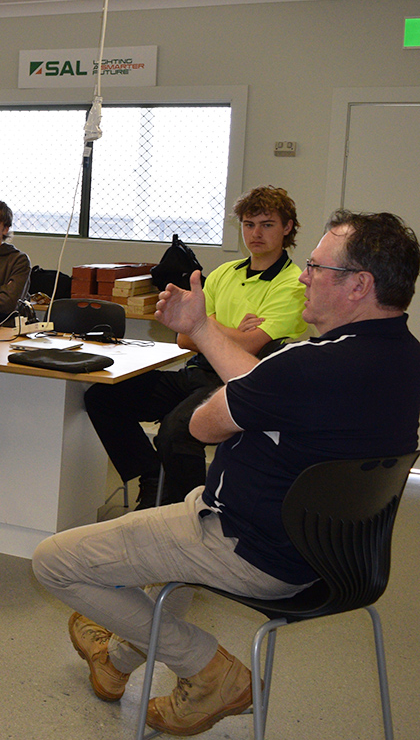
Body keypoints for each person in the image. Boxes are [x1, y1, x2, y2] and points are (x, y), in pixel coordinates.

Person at [33, 210, 420, 737]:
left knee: (54, 562)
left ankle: (209, 670)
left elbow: (203, 426)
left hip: (243, 544)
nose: (304, 278)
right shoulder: (403, 359)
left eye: (316, 267)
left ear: (359, 285)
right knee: (167, 559)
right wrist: (204, 332)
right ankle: (117, 659)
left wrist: (220, 358)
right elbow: (268, 387)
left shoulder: (308, 365)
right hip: (338, 559)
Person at [83, 186, 308, 510]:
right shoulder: (224, 273)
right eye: (248, 224)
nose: (255, 233)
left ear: (287, 228)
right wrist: (226, 330)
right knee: (103, 398)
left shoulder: (293, 284)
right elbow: (185, 338)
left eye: (267, 224)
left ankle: (192, 512)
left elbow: (250, 345)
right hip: (196, 371)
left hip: (237, 381)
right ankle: (152, 477)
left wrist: (206, 325)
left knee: (177, 432)